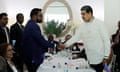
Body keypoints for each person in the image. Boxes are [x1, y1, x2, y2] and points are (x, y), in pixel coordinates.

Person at [62, 5, 111, 72]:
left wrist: (106, 56)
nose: (82, 16)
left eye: (83, 14)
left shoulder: (100, 24)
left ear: (90, 13)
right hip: (89, 58)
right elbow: (76, 37)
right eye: (81, 14)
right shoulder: (82, 26)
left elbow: (106, 41)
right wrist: (65, 45)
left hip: (100, 59)